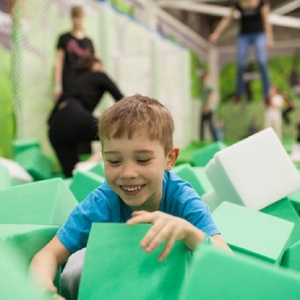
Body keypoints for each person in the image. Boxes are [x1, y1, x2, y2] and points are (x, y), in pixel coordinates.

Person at [31, 95, 231, 299]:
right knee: (76, 266)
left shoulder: (182, 199)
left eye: (142, 160)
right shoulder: (101, 203)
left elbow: (227, 261)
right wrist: (44, 291)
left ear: (169, 158)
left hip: (169, 288)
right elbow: (48, 254)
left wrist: (188, 233)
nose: (128, 173)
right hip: (116, 285)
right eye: (115, 161)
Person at [48, 56, 124, 178]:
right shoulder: (99, 75)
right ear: (95, 65)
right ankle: (88, 165)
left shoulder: (72, 82)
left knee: (73, 177)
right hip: (75, 114)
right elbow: (121, 100)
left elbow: (50, 119)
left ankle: (80, 170)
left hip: (56, 128)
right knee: (118, 134)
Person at [209, 0, 273, 105]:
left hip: (259, 34)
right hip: (244, 36)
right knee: (241, 64)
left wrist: (269, 38)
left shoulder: (261, 3)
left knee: (262, 62)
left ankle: (267, 93)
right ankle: (239, 92)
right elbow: (227, 19)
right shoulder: (237, 4)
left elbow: (266, 21)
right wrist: (216, 34)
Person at [52, 5, 94, 100]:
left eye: (79, 17)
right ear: (71, 18)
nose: (77, 20)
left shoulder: (89, 42)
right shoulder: (64, 38)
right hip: (69, 83)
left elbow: (92, 65)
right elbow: (58, 62)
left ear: (83, 18)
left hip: (85, 85)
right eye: (75, 16)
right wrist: (57, 85)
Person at [199, 72, 218, 142]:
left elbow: (210, 98)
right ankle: (201, 141)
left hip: (209, 109)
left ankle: (216, 140)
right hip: (204, 109)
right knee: (201, 126)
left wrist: (207, 107)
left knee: (211, 126)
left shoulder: (210, 86)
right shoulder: (204, 87)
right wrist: (202, 108)